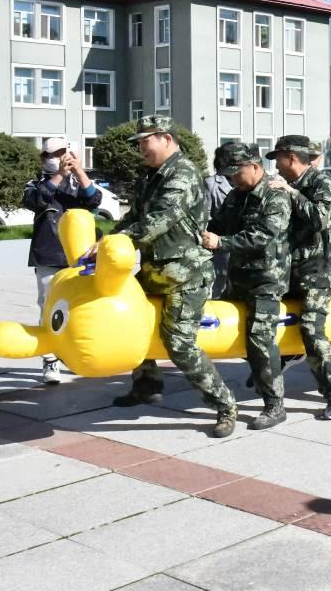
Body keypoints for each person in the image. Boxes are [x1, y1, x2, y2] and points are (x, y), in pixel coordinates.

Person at [102, 116, 236, 438]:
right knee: (131, 323)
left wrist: (118, 241)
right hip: (154, 271)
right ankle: (146, 385)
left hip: (185, 275)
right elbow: (134, 217)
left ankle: (224, 404)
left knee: (180, 344)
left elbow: (160, 219)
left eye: (144, 141)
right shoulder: (150, 175)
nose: (140, 149)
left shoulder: (183, 174)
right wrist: (106, 242)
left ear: (165, 138)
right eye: (138, 143)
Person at [202, 143, 291, 430]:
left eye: (236, 173)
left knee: (261, 340)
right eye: (228, 175)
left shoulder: (274, 195)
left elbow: (263, 235)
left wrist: (221, 243)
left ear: (254, 166)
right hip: (239, 277)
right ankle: (259, 376)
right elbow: (219, 223)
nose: (232, 180)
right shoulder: (236, 195)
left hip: (266, 279)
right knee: (238, 336)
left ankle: (275, 405)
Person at [268, 136, 331, 420]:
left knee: (313, 330)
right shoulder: (287, 184)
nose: (276, 166)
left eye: (278, 159)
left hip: (319, 271)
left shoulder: (320, 182)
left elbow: (319, 218)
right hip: (292, 269)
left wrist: (290, 192)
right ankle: (286, 358)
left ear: (291, 158)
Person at [22, 136, 103, 383]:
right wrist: (58, 175)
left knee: (81, 307)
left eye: (60, 153)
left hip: (80, 254)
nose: (56, 158)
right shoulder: (35, 183)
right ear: (43, 158)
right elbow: (36, 201)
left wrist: (79, 171)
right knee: (48, 307)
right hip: (48, 254)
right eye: (50, 154)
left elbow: (94, 200)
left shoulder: (78, 182)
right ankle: (50, 360)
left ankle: (76, 354)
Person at [205, 145, 234, 298]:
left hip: (243, 244)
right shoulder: (211, 184)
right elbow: (205, 218)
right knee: (219, 287)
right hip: (219, 246)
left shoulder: (249, 182)